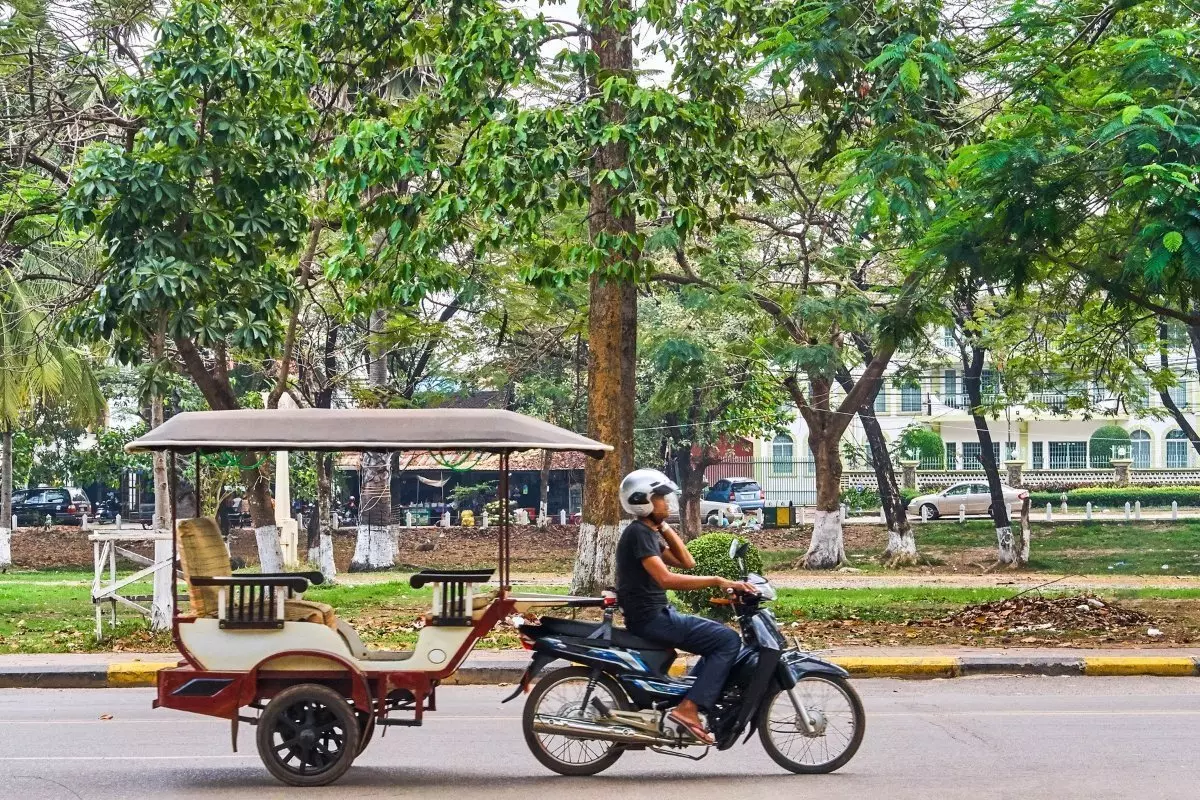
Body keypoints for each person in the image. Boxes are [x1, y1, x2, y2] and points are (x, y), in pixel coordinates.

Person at [615, 468, 755, 745]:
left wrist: (663, 525)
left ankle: (689, 699)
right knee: (727, 640)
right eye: (660, 498)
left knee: (718, 636)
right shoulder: (638, 534)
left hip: (657, 614)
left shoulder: (646, 533)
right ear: (642, 501)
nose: (666, 503)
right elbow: (666, 579)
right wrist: (717, 580)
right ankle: (688, 710)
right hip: (651, 618)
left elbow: (687, 561)